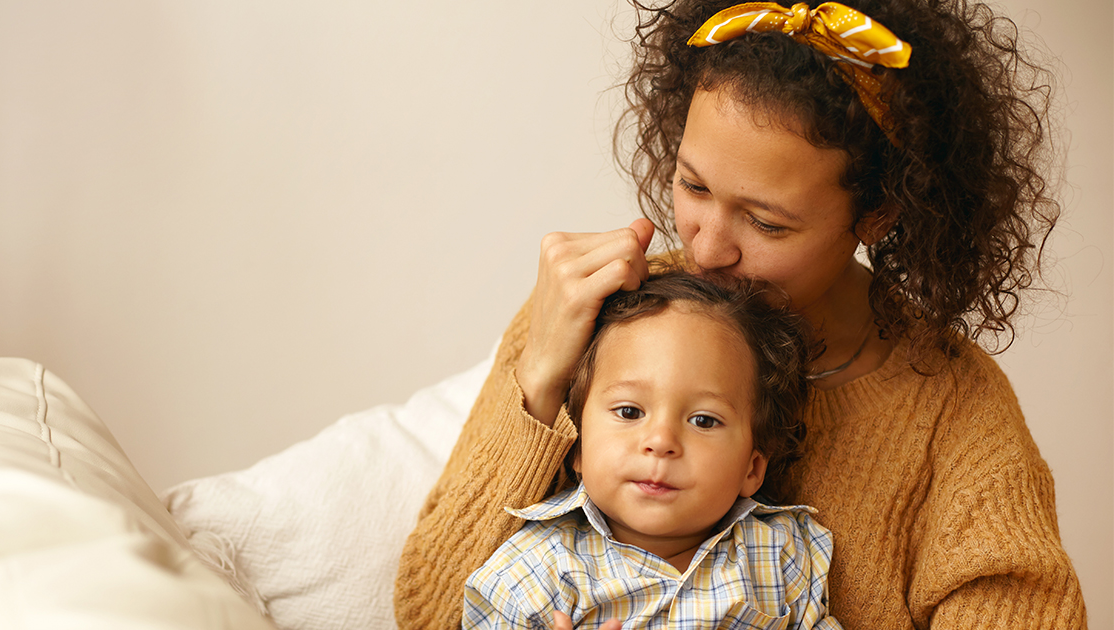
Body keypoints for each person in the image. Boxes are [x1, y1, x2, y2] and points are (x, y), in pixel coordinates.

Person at [395, 0, 1087, 628]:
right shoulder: (600, 312)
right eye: (692, 186)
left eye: (766, 222)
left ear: (878, 215)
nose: (707, 247)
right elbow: (428, 611)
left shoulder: (953, 410)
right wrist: (540, 377)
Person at [461, 272, 841, 629]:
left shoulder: (780, 551)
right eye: (629, 412)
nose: (660, 442)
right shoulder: (536, 571)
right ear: (576, 444)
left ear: (752, 468)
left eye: (704, 421)